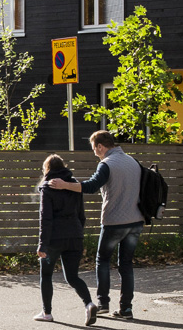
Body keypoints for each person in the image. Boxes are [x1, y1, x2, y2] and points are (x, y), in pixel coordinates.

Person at [49, 130, 144, 320]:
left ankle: (103, 304)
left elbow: (91, 186)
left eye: (94, 148)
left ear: (101, 146)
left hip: (114, 222)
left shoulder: (106, 164)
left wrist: (64, 185)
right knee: (126, 264)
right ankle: (126, 308)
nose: (94, 152)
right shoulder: (133, 162)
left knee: (103, 260)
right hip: (136, 222)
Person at [34, 153, 97, 324]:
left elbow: (45, 219)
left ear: (47, 169)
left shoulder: (47, 188)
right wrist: (78, 233)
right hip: (74, 235)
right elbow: (81, 214)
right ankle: (89, 304)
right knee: (72, 277)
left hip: (54, 238)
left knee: (46, 275)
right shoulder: (74, 185)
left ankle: (47, 313)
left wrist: (42, 244)